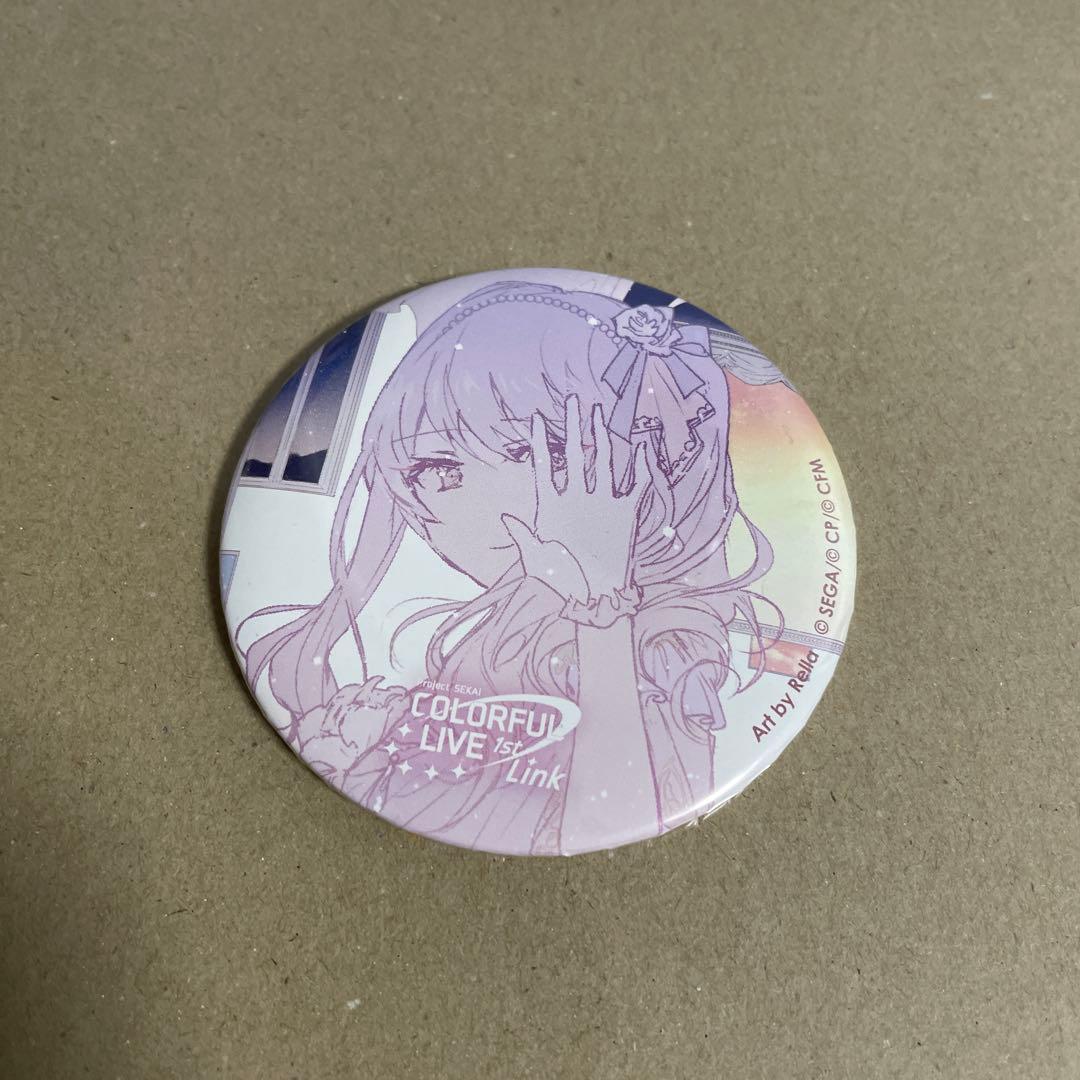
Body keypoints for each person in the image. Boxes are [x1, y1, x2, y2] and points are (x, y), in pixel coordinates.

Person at [237, 281, 779, 854]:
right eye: (418, 473)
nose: (422, 507)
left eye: (441, 470)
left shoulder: (656, 649)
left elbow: (625, 812)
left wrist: (600, 605)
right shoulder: (524, 617)